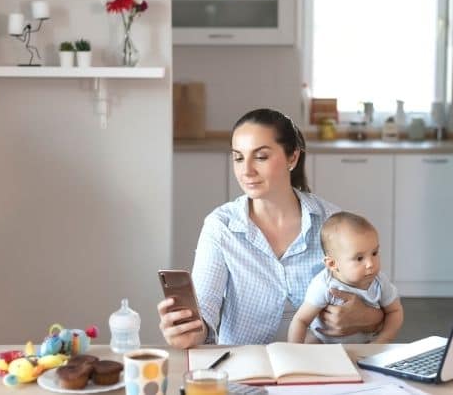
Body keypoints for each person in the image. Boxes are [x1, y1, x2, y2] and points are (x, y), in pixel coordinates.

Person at [157, 108, 384, 348]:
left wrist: (369, 318)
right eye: (238, 158)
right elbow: (205, 308)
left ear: (292, 158)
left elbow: (379, 299)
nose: (246, 171)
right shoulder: (221, 227)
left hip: (322, 366)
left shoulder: (332, 222)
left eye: (261, 157)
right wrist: (190, 331)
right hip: (244, 366)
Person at [287, 211, 404, 344]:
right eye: (359, 258)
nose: (370, 264)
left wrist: (382, 342)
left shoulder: (379, 282)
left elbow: (395, 311)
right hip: (323, 343)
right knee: (311, 341)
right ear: (332, 264)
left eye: (374, 253)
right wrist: (295, 350)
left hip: (366, 344)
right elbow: (301, 320)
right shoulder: (324, 285)